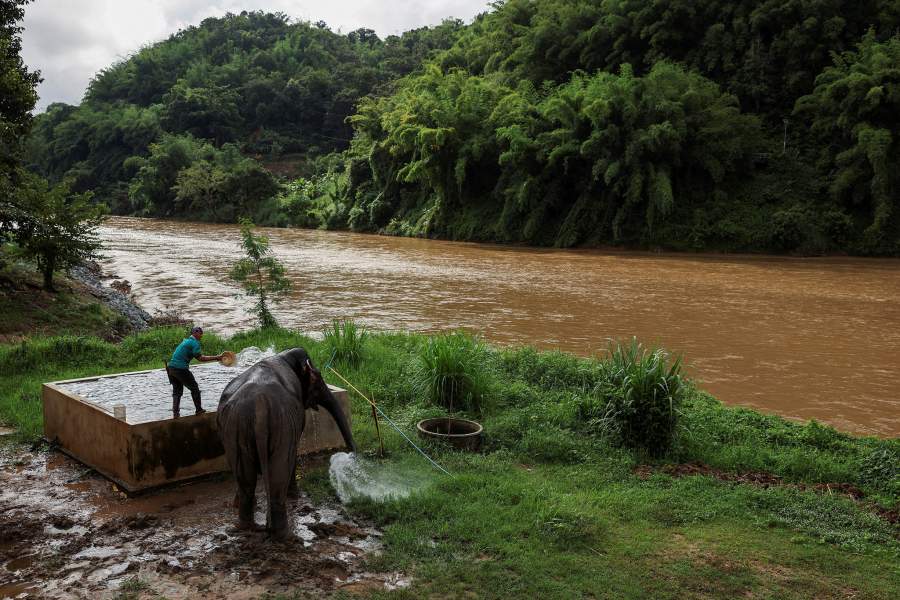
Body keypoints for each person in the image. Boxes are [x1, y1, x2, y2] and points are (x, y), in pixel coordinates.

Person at [166, 326, 223, 417]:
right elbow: (200, 358)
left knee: (177, 391)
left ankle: (175, 414)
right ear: (195, 333)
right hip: (180, 368)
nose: (201, 335)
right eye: (200, 333)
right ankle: (199, 410)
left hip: (171, 368)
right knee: (195, 388)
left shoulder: (186, 341)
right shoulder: (194, 343)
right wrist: (216, 357)